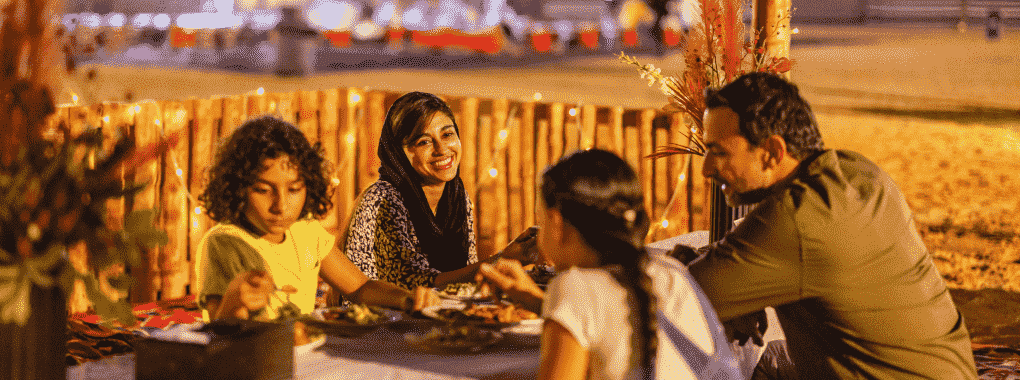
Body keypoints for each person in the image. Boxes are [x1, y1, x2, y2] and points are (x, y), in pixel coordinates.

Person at [679, 72, 976, 378]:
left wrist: (713, 276)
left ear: (772, 153)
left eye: (719, 152)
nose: (706, 168)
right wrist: (736, 285)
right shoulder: (858, 171)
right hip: (950, 371)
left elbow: (680, 296)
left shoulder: (795, 218)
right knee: (768, 359)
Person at [477, 149, 740, 380]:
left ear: (556, 224)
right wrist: (532, 298)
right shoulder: (672, 273)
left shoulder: (573, 286)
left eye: (540, 219)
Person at [194, 115, 440, 322]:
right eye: (263, 190)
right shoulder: (223, 243)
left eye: (294, 189)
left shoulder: (306, 232)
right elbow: (216, 333)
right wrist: (233, 304)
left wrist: (406, 298)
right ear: (237, 188)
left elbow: (360, 288)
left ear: (309, 186)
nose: (280, 206)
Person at [342, 91, 538, 291]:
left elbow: (464, 279)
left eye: (447, 134)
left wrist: (512, 258)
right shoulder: (383, 198)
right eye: (424, 142)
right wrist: (504, 258)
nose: (442, 149)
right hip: (381, 311)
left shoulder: (457, 197)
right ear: (399, 153)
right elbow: (417, 283)